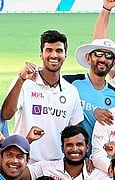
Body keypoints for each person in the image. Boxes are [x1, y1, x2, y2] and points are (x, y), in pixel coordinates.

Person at [1, 30, 83, 163]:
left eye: (59, 50)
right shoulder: (25, 82)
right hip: (25, 162)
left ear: (65, 55)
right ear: (41, 54)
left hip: (56, 166)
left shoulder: (71, 91)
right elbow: (6, 114)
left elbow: (75, 130)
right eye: (49, 50)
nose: (54, 55)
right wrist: (21, 80)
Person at [64, 38, 115, 151]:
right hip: (72, 154)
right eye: (98, 54)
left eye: (109, 56)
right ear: (88, 58)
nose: (103, 59)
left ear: (113, 62)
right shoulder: (70, 82)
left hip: (99, 157)